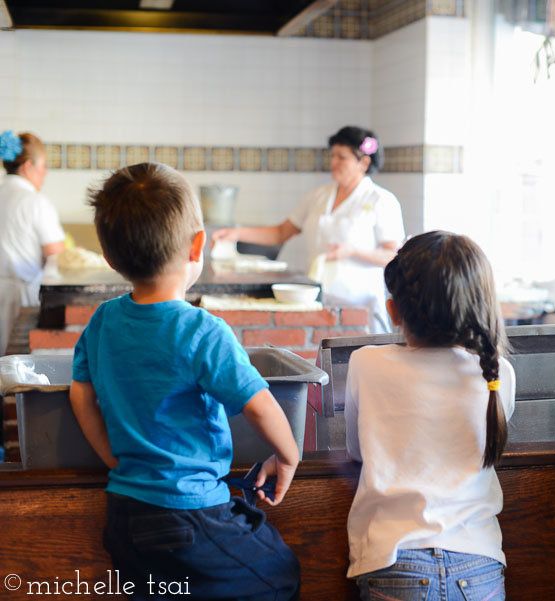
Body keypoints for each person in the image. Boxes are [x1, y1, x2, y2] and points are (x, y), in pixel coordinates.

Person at [69, 163, 301, 600]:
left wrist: (112, 458)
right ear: (198, 244)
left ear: (109, 258)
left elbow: (81, 395)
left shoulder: (102, 322)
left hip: (124, 514)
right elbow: (258, 404)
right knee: (279, 572)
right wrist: (289, 454)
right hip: (189, 514)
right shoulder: (202, 330)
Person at [344, 231, 515, 601]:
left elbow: (357, 452)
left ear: (393, 310)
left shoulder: (366, 362)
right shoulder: (498, 374)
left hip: (392, 562)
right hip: (480, 566)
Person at [213, 126, 404, 333]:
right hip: (317, 298)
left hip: (359, 305)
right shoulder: (319, 196)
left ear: (364, 162)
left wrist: (352, 251)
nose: (333, 163)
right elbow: (281, 232)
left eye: (342, 158)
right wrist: (236, 233)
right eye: (333, 156)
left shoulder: (381, 200)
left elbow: (392, 255)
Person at [0, 130, 64, 354]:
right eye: (43, 166)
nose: (45, 173)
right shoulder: (35, 202)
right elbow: (56, 254)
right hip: (19, 297)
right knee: (13, 364)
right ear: (28, 166)